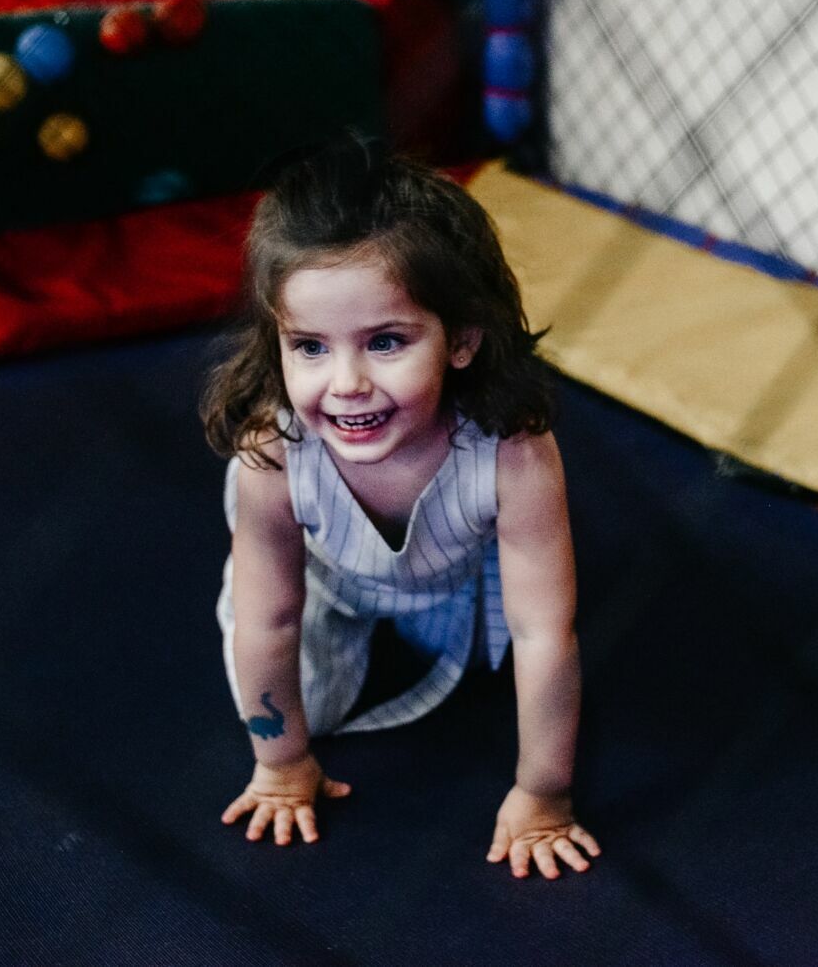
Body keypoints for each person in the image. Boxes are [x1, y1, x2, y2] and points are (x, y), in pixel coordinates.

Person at [201, 140, 602, 880]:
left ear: (463, 341)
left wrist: (543, 792)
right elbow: (270, 617)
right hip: (325, 580)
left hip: (448, 576)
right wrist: (282, 761)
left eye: (385, 341)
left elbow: (546, 629)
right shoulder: (277, 451)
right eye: (310, 346)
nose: (346, 382)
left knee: (519, 668)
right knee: (304, 710)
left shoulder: (514, 453)